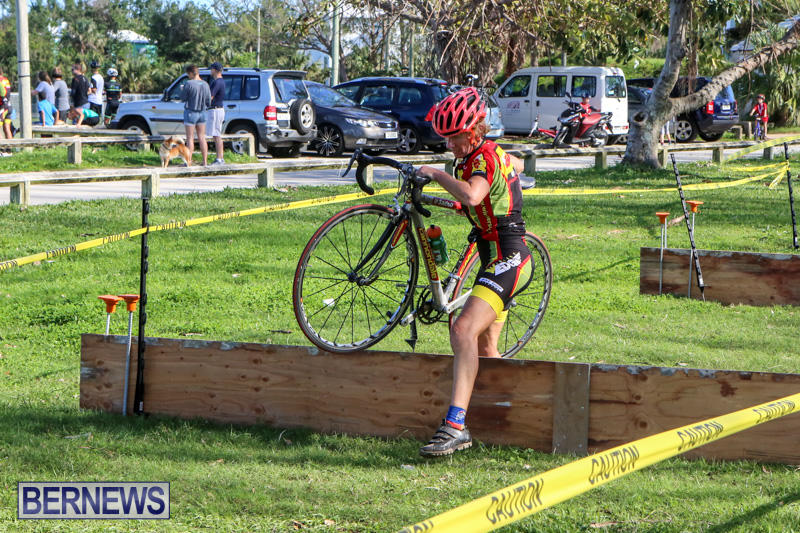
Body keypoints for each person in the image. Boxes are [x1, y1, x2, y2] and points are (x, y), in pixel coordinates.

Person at [415, 87, 531, 457]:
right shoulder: (481, 155)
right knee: (486, 348)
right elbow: (515, 166)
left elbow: (472, 196)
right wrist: (512, 169)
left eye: (456, 137)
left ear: (475, 130)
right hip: (491, 257)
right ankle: (514, 421)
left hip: (509, 258)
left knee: (462, 329)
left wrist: (436, 174)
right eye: (446, 138)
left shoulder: (482, 158)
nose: (450, 144)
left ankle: (455, 426)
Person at [179, 64, 211, 166]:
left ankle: (188, 161)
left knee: (190, 138)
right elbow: (208, 101)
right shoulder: (205, 84)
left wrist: (182, 90)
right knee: (202, 137)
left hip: (191, 112)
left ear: (190, 73)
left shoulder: (189, 83)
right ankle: (205, 161)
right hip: (202, 113)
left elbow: (183, 98)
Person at [207, 62, 225, 165]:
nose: (211, 71)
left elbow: (210, 97)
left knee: (216, 135)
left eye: (211, 69)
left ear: (215, 70)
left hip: (216, 110)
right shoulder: (221, 81)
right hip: (218, 110)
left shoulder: (217, 82)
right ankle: (220, 158)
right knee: (216, 135)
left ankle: (219, 159)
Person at [0, 67, 13, 138]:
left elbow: (2, 93)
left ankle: (1, 144)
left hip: (2, 107)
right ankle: (10, 145)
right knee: (7, 128)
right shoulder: (6, 80)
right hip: (8, 106)